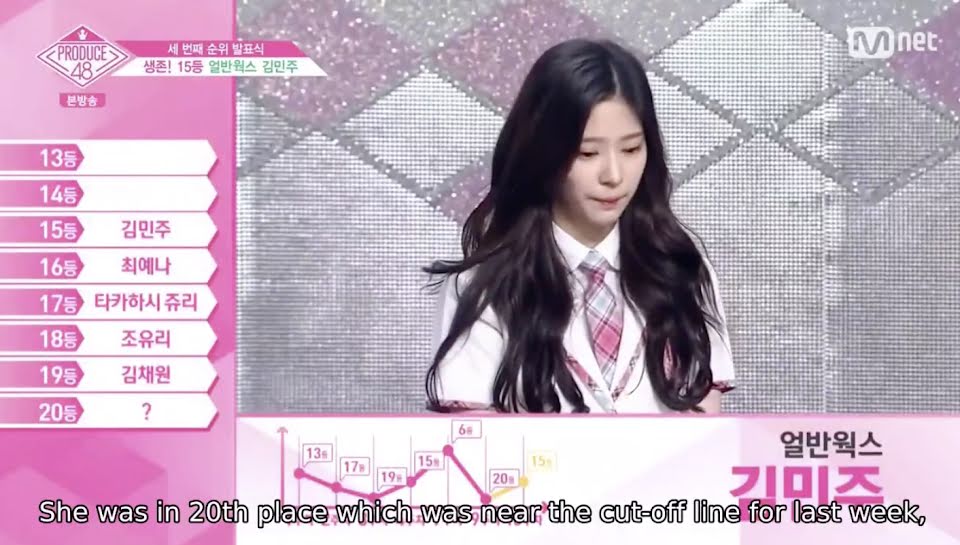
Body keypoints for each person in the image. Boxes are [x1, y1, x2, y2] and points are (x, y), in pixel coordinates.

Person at [422, 38, 735, 414]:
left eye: (631, 149)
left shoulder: (682, 269)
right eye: (587, 153)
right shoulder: (482, 287)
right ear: (543, 152)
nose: (614, 175)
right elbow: (475, 438)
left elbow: (706, 425)